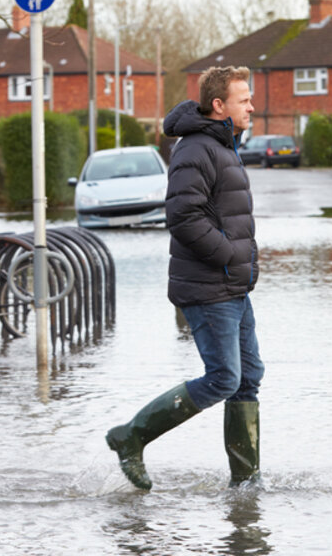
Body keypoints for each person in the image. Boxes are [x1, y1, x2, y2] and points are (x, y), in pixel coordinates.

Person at [106, 66, 262, 490]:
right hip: (210, 286)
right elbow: (183, 216)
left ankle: (246, 483)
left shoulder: (223, 145)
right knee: (224, 378)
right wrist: (230, 255)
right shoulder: (196, 149)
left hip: (232, 285)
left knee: (248, 378)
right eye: (243, 99)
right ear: (219, 105)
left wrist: (241, 265)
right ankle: (132, 435)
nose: (252, 106)